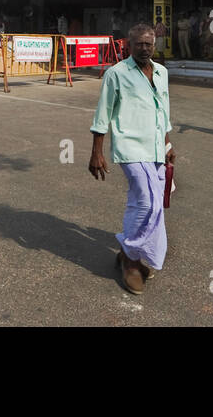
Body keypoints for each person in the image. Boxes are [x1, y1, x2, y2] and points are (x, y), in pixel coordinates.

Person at [89, 23, 175, 295]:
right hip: (130, 147)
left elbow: (163, 111)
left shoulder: (162, 72)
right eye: (139, 44)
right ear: (129, 44)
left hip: (156, 148)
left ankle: (129, 251)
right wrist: (96, 151)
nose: (145, 48)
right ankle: (131, 259)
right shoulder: (117, 74)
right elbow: (103, 113)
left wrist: (168, 143)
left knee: (148, 201)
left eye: (149, 43)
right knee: (148, 201)